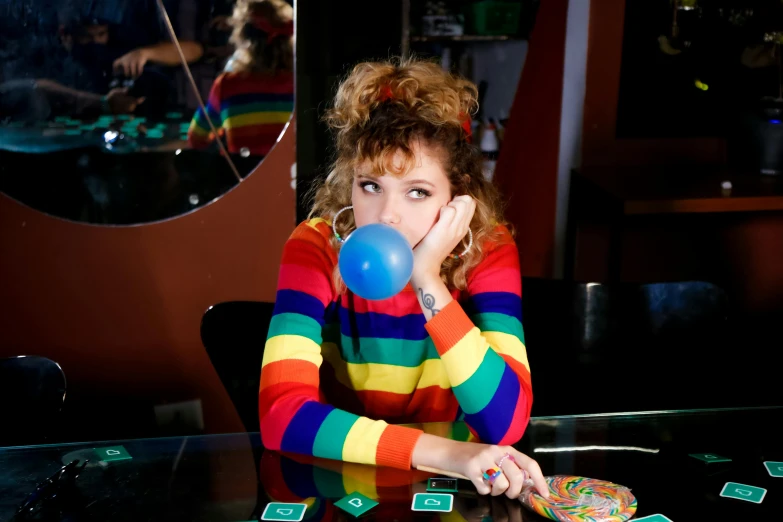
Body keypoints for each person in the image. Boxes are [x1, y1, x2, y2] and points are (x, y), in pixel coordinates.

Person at [259, 57, 549, 500]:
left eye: (418, 192)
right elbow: (282, 416)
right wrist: (446, 454)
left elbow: (505, 421)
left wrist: (428, 280)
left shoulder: (489, 249)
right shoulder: (315, 246)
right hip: (344, 485)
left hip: (454, 496)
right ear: (349, 184)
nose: (387, 215)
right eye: (370, 186)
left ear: (459, 198)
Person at [187, 0, 294, 156]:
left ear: (240, 35)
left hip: (248, 178)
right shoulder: (301, 85)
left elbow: (196, 139)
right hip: (291, 178)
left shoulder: (227, 84)